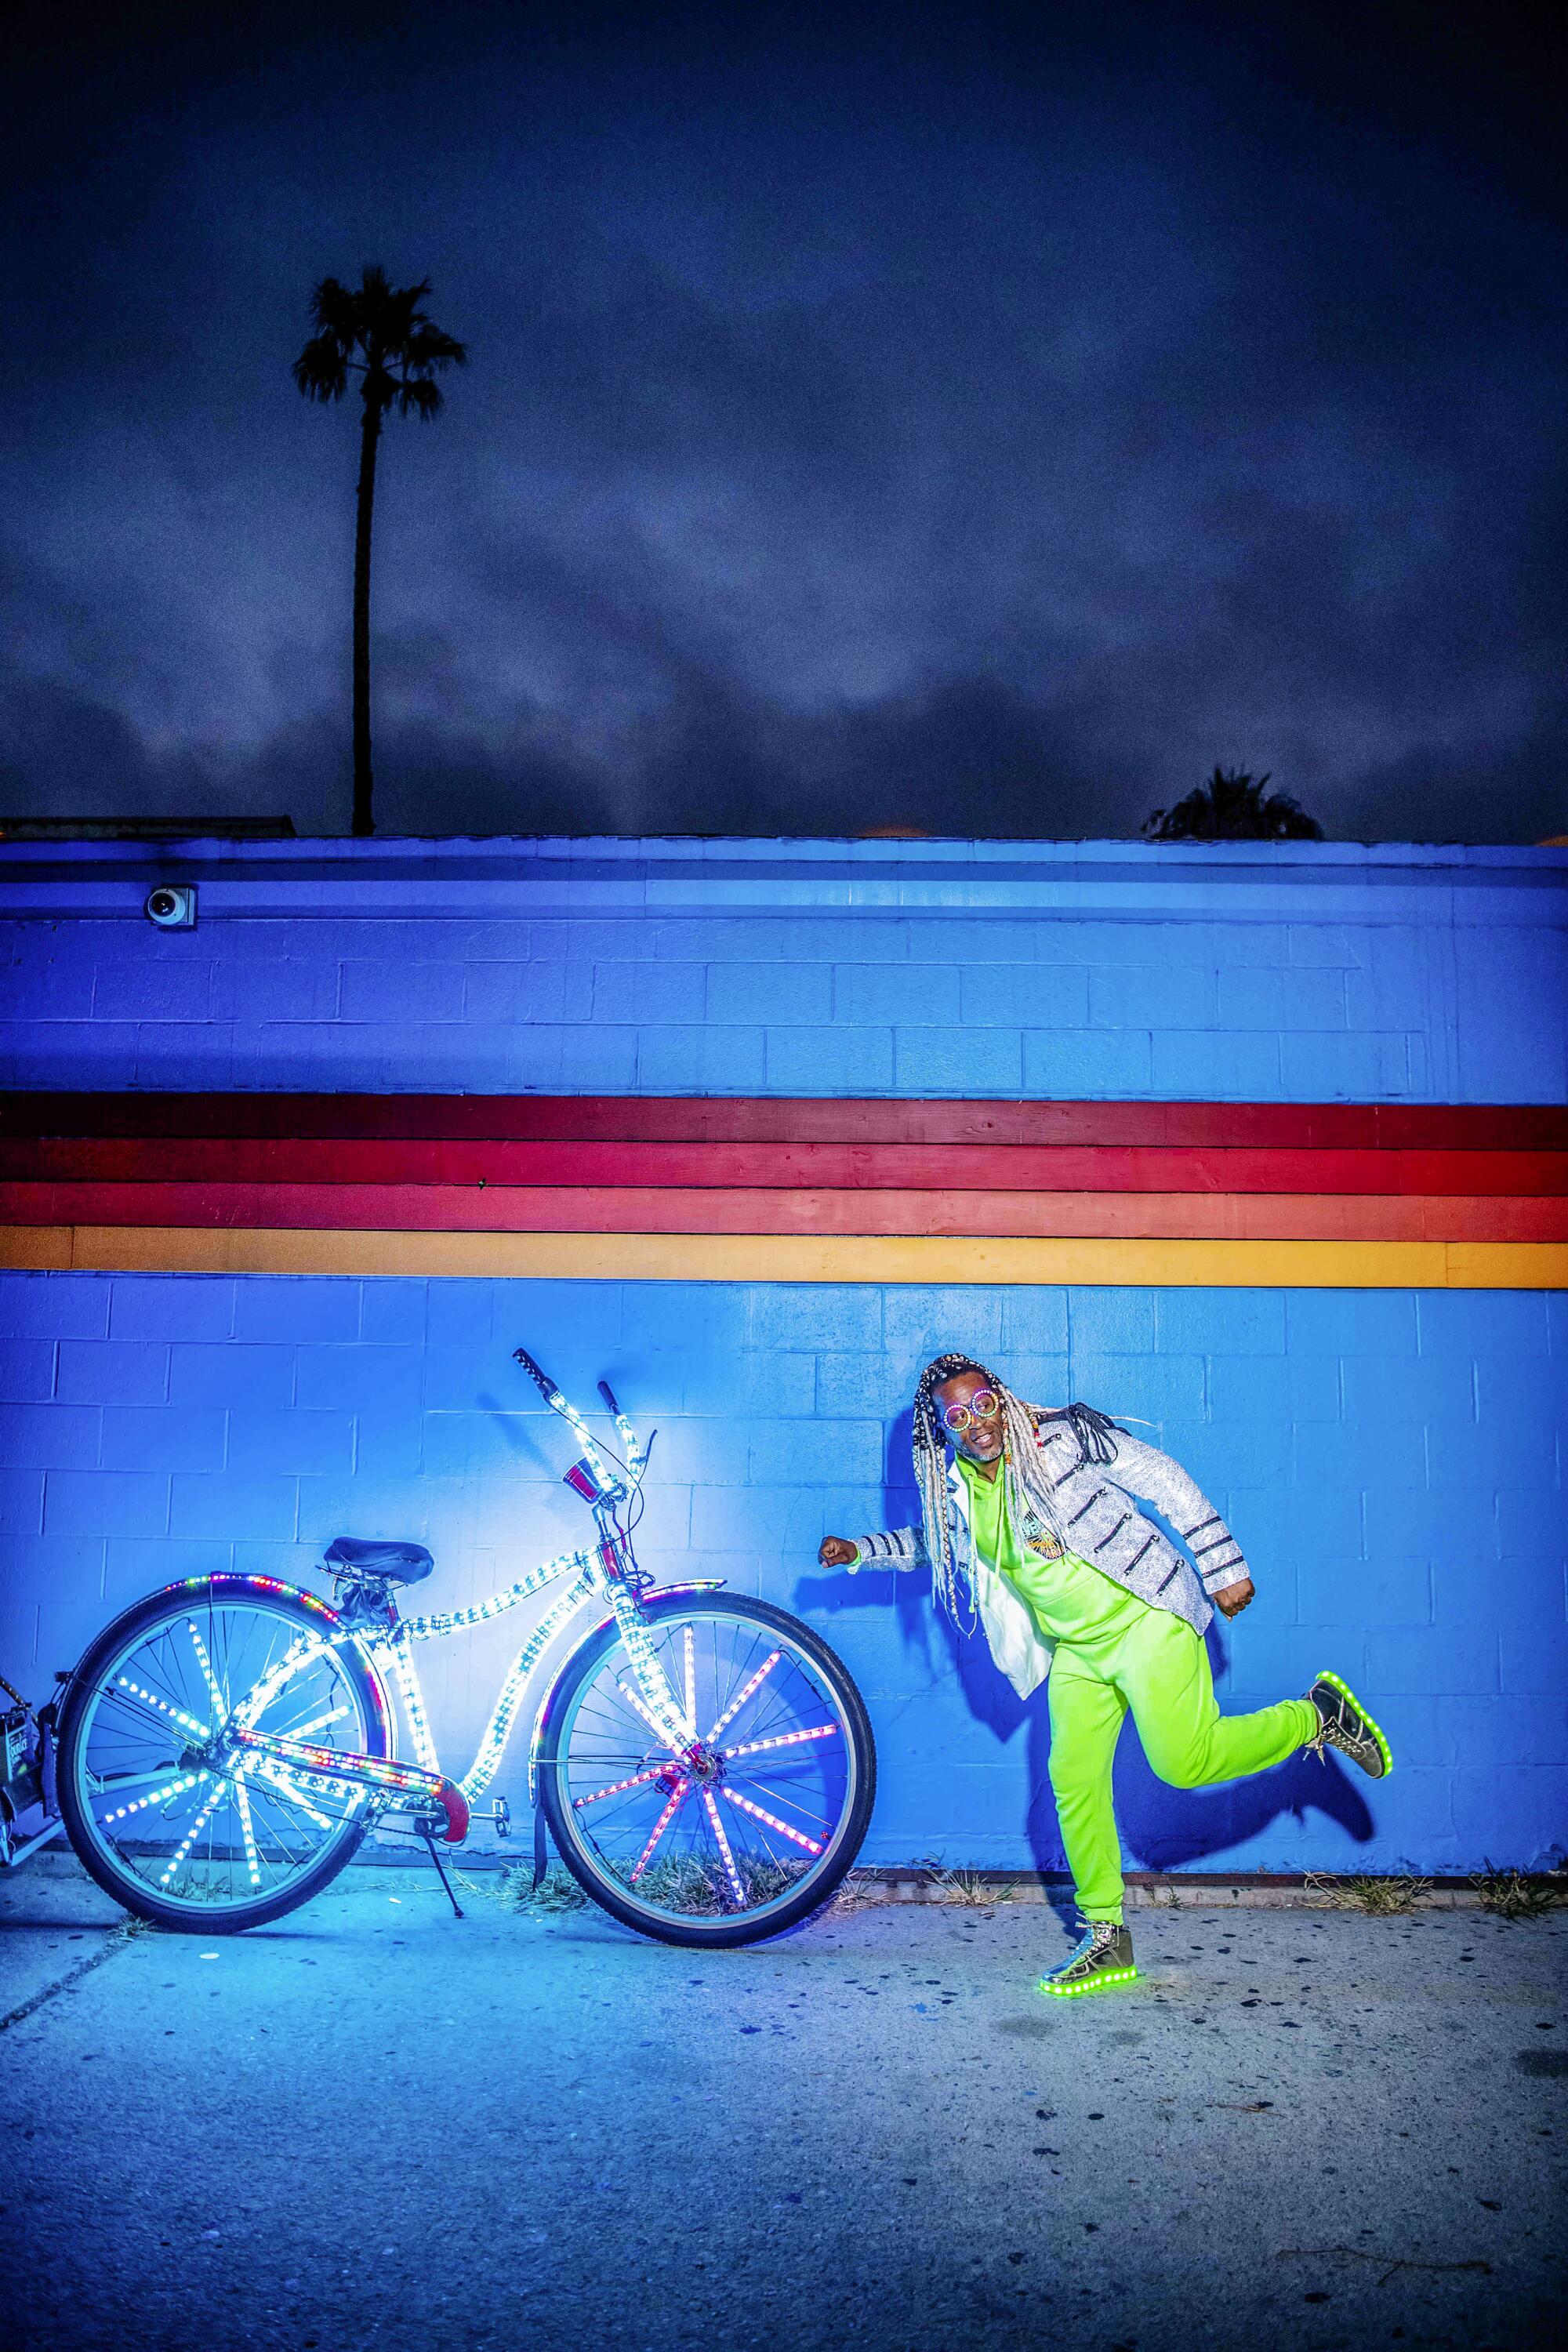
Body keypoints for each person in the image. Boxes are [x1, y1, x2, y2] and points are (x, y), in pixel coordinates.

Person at [818, 1352, 1392, 1997]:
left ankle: (1316, 1714)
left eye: (983, 1404)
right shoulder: (959, 1490)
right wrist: (862, 1552)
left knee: (1185, 1762)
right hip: (1078, 1653)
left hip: (1148, 1620)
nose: (975, 1421)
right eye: (957, 1415)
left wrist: (1222, 1564)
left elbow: (1161, 1475)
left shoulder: (1058, 1441)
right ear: (942, 1431)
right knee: (1074, 1779)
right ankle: (1106, 1937)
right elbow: (936, 1543)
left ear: (1001, 1400)